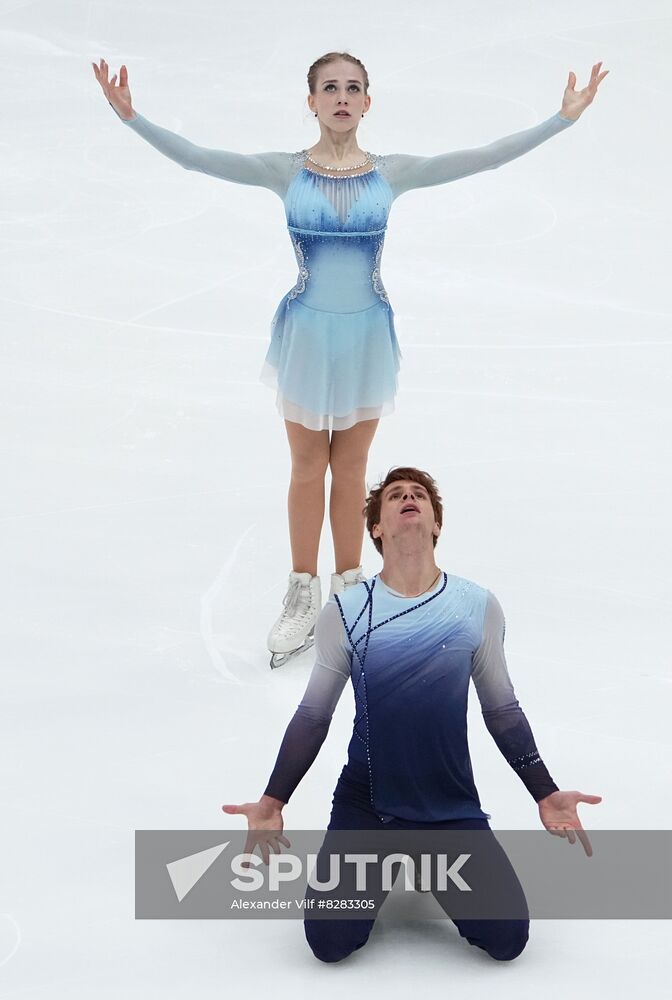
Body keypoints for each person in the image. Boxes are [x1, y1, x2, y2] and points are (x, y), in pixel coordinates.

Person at [92, 54, 608, 667]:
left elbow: (484, 157)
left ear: (369, 102)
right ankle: (302, 594)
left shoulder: (394, 173)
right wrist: (132, 119)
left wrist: (561, 120)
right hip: (308, 334)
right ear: (310, 101)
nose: (341, 96)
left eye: (353, 88)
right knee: (309, 466)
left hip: (365, 335)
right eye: (329, 87)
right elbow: (198, 159)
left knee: (354, 464)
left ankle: (350, 590)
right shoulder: (285, 172)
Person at [222, 466, 603, 963]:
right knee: (330, 944)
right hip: (368, 804)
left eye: (419, 495)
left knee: (508, 940)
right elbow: (314, 716)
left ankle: (429, 860)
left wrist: (545, 792)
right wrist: (273, 800)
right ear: (377, 528)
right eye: (395, 496)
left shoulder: (476, 606)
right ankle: (392, 859)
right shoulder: (346, 610)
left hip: (449, 805)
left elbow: (502, 709)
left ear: (436, 523)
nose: (409, 499)